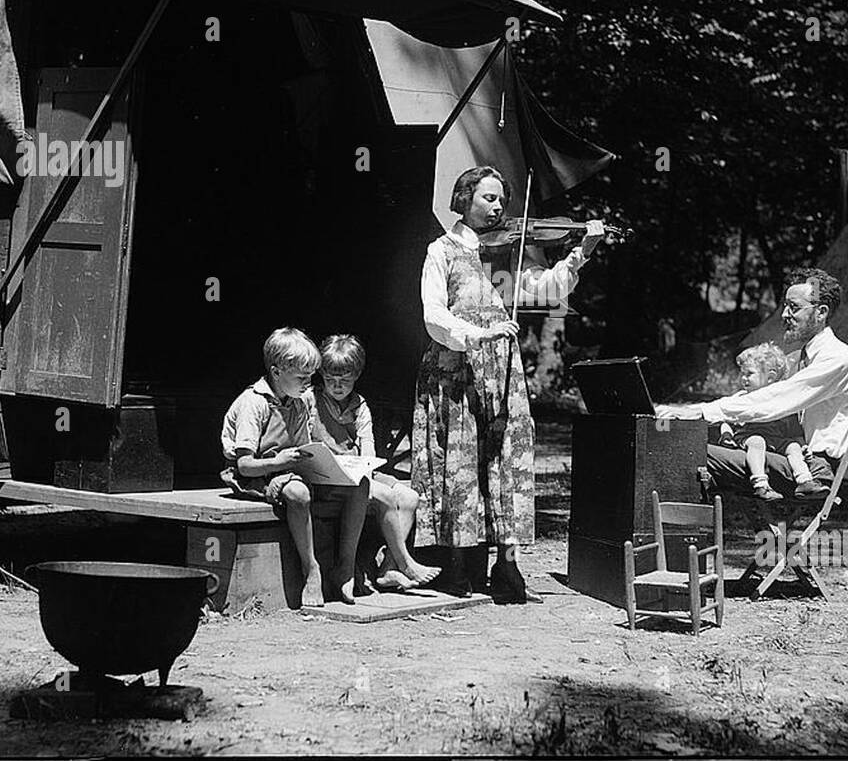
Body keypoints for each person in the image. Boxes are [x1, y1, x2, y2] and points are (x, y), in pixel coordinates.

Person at [414, 165, 604, 602]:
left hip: (501, 370)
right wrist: (479, 334)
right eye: (489, 198)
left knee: (507, 457)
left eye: (502, 199)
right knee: (458, 463)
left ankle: (508, 562)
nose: (499, 207)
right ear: (464, 199)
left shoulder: (506, 254)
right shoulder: (440, 250)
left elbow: (547, 289)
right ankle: (456, 565)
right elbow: (433, 314)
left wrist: (582, 252)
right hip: (455, 368)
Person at [656, 268, 848, 497]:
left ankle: (673, 522)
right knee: (696, 443)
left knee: (693, 452)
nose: (784, 315)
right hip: (788, 455)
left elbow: (773, 401)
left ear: (821, 312)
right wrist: (686, 411)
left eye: (794, 307)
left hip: (811, 471)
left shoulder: (837, 359)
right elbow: (750, 398)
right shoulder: (797, 358)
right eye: (785, 306)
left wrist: (700, 412)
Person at [221, 327, 369, 607]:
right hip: (259, 474)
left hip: (289, 469)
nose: (307, 383)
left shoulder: (298, 403)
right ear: (277, 372)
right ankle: (311, 568)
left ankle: (346, 566)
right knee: (299, 494)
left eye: (310, 377)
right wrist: (278, 462)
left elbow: (304, 448)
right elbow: (244, 465)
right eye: (301, 377)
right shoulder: (254, 403)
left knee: (358, 484)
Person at [310, 333, 440, 591]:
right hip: (328, 474)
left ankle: (389, 568)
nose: (337, 386)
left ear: (356, 376)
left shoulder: (359, 406)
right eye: (330, 379)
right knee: (386, 498)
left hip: (356, 470)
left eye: (344, 380)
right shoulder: (312, 401)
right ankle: (406, 563)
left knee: (411, 497)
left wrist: (364, 464)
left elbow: (368, 451)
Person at [719, 341, 828, 502]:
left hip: (775, 440)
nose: (743, 378)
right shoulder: (742, 398)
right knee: (757, 442)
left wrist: (802, 445)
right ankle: (761, 484)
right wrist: (726, 435)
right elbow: (725, 418)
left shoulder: (781, 401)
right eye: (742, 374)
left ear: (770, 377)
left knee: (793, 446)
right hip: (748, 437)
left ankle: (805, 481)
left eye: (749, 374)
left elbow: (793, 428)